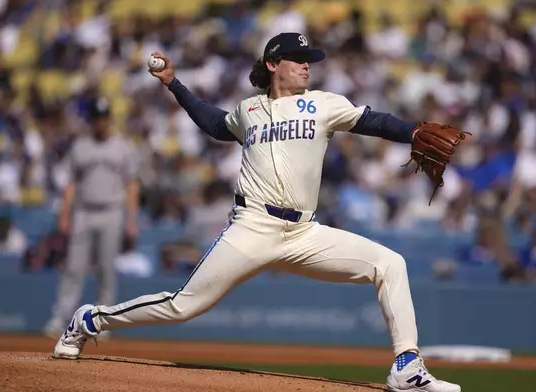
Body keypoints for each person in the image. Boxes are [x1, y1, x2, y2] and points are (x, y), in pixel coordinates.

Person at [52, 33, 461, 392]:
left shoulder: (322, 105)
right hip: (252, 226)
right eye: (299, 59)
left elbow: (373, 121)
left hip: (304, 233)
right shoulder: (249, 111)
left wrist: (411, 132)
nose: (307, 65)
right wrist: (174, 84)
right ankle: (90, 319)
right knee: (183, 306)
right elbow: (214, 124)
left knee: (390, 264)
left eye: (310, 60)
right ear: (272, 64)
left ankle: (407, 366)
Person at [43, 97, 140, 337]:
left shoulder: (122, 146)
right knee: (74, 268)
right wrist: (64, 216)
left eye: (104, 118)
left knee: (106, 269)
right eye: (96, 119)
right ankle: (61, 318)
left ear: (109, 120)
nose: (100, 123)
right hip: (83, 212)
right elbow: (71, 185)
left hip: (111, 211)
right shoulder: (80, 146)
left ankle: (101, 322)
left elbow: (132, 185)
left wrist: (131, 219)